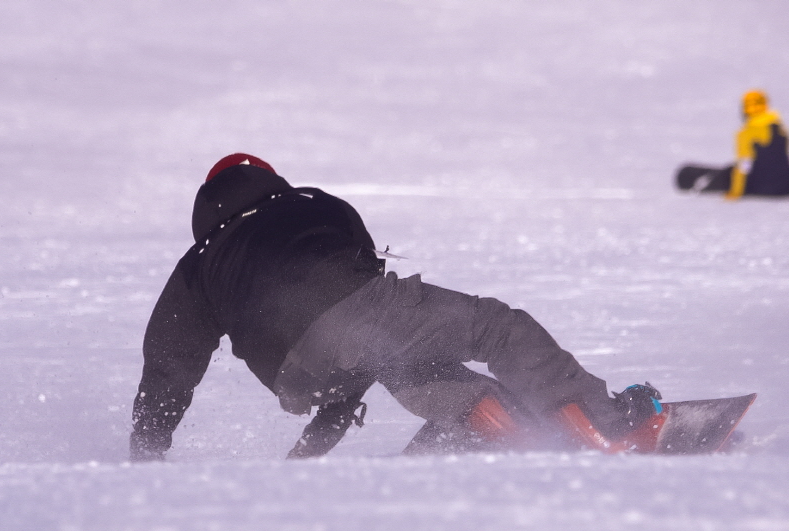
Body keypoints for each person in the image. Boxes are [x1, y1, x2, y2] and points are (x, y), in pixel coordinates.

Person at [130, 153, 663, 462]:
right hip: (348, 309)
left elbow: (168, 363)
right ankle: (607, 424)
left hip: (291, 377)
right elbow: (358, 312)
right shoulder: (310, 202)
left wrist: (146, 451)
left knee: (400, 359)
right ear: (268, 179)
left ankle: (491, 429)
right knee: (498, 328)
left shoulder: (199, 263)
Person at [724, 89, 789, 199]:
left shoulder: (746, 133)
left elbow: (744, 165)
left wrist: (735, 193)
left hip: (761, 189)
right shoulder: (781, 129)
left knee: (732, 171)